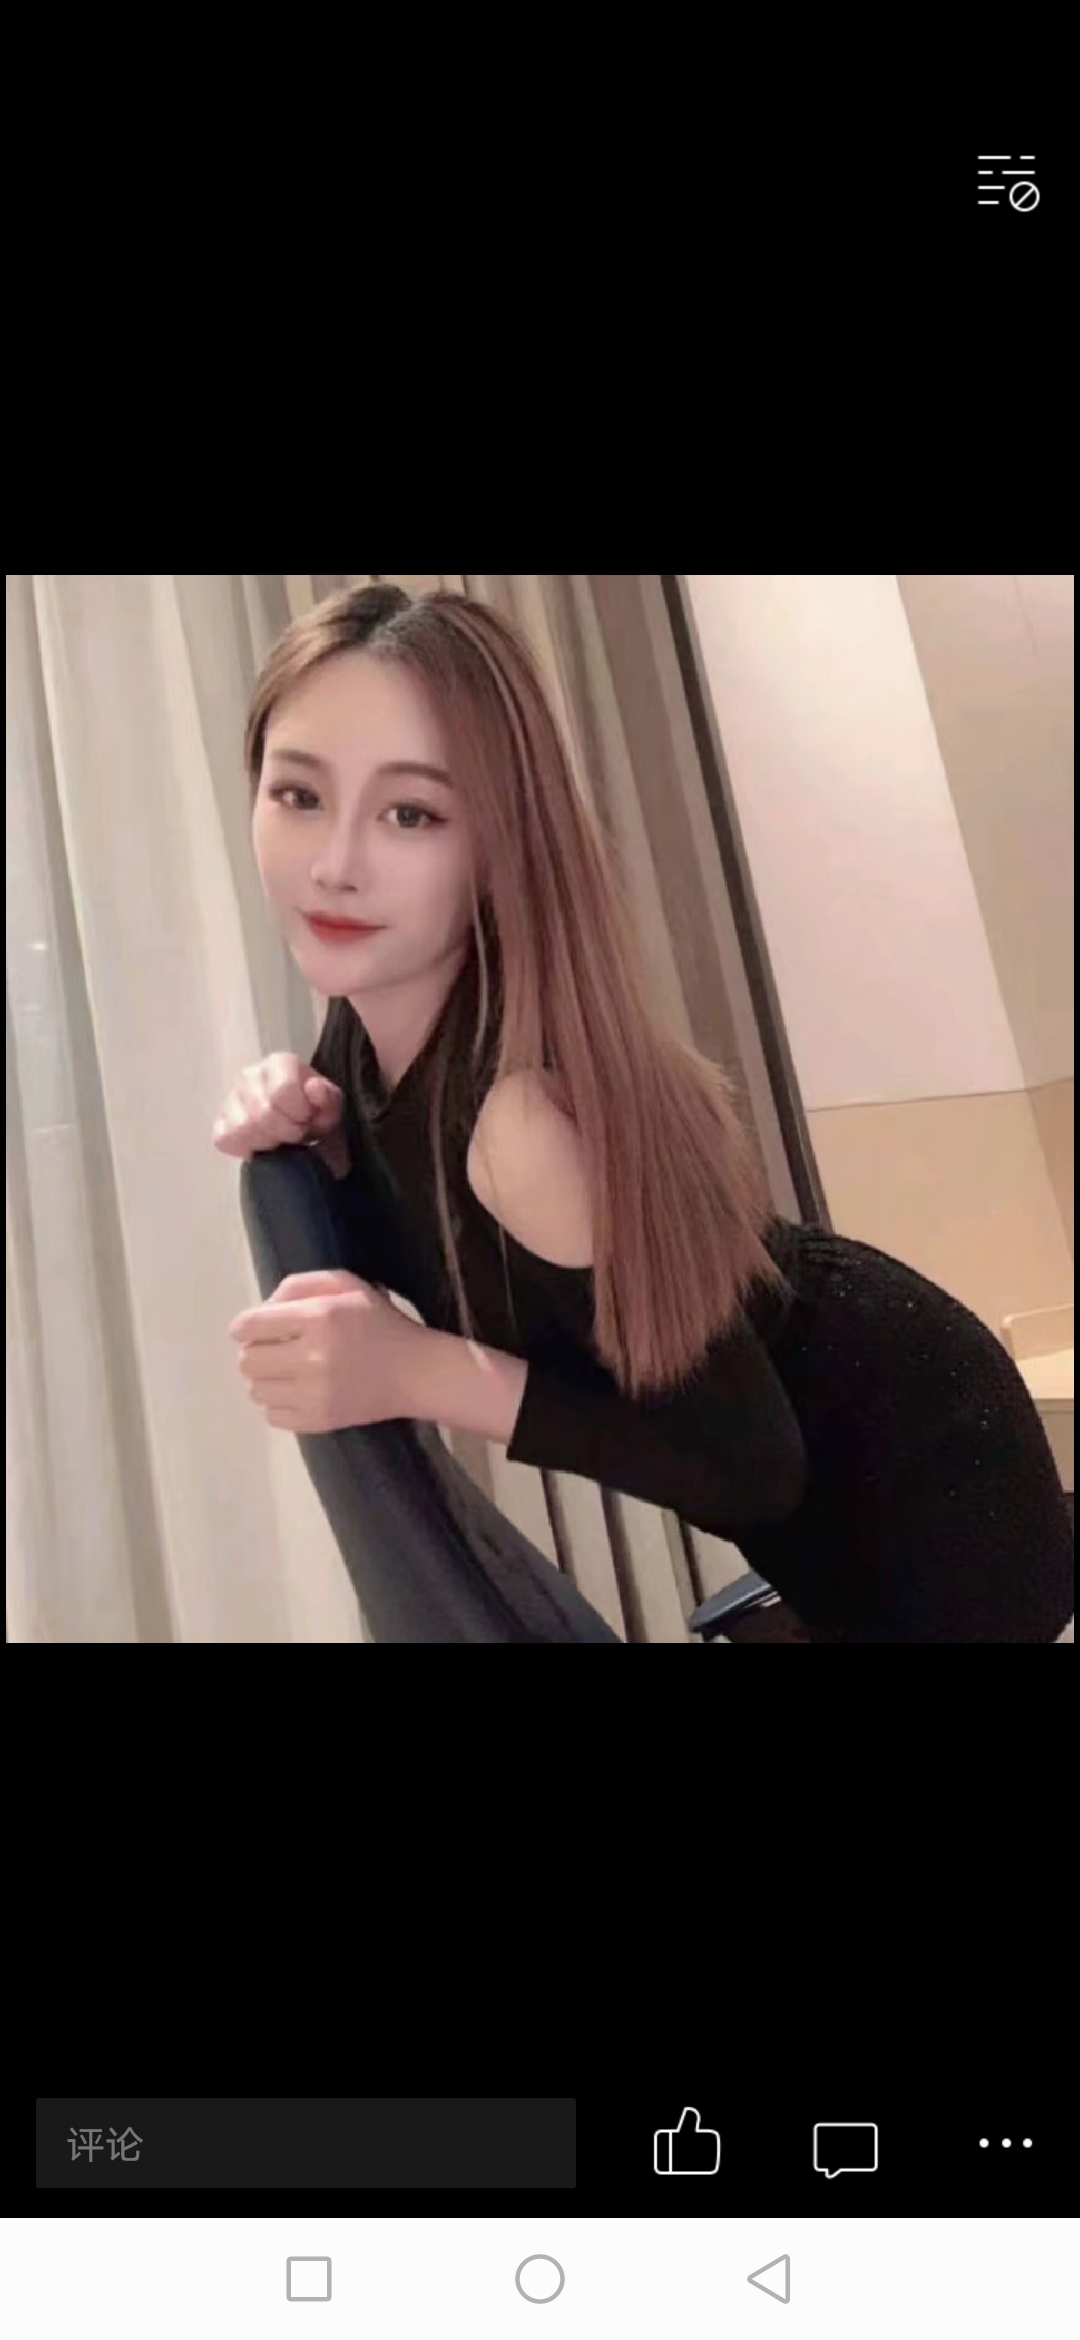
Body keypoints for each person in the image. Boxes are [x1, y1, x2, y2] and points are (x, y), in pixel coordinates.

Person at [215, 582, 1073, 1644]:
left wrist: (419, 1371)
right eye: (298, 794)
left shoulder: (519, 1125)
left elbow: (745, 1463)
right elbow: (432, 1239)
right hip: (833, 1515)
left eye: (411, 814)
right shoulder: (366, 1038)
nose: (334, 863)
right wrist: (311, 1129)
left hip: (935, 1487)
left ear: (499, 842)